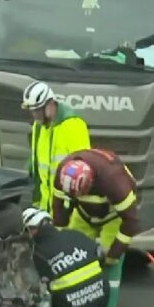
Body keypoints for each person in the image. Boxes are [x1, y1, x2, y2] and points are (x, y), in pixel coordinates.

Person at [51, 148, 140, 307]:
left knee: (110, 264)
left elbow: (131, 222)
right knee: (71, 255)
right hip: (83, 214)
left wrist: (113, 253)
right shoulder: (63, 173)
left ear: (91, 182)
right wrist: (59, 239)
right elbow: (59, 207)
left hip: (113, 217)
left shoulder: (114, 181)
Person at [22, 208, 113, 307]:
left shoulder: (37, 252)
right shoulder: (75, 234)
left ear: (32, 230)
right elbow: (100, 257)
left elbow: (34, 282)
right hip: (101, 300)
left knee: (37, 299)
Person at [22, 81, 91, 216]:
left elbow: (83, 167)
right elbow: (36, 164)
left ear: (50, 104)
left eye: (38, 110)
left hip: (68, 210)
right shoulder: (38, 126)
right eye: (32, 111)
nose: (35, 115)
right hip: (45, 209)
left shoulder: (73, 125)